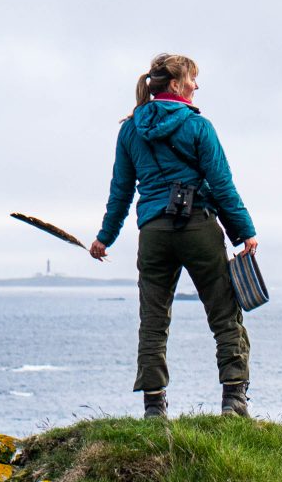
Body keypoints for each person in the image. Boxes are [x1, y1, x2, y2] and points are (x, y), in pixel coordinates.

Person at [90, 53, 259, 419]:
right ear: (177, 84)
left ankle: (154, 407)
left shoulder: (130, 128)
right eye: (192, 79)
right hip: (197, 224)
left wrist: (105, 237)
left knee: (153, 319)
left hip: (153, 231)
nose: (197, 86)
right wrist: (244, 231)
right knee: (224, 313)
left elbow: (121, 190)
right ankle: (233, 400)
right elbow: (221, 184)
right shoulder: (199, 127)